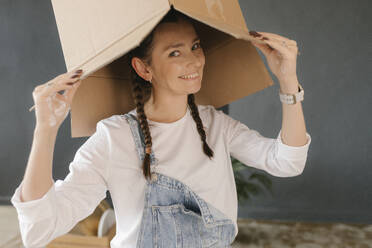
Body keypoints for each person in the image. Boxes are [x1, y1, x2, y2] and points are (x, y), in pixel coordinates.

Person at [11, 8, 311, 248]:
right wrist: (45, 130)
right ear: (144, 68)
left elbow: (288, 162)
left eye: (195, 46)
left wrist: (288, 81)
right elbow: (39, 230)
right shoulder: (114, 138)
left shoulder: (215, 125)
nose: (194, 60)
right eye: (175, 53)